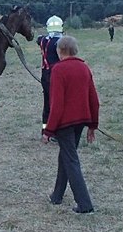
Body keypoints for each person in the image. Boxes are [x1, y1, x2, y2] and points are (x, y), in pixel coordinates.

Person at [41, 35, 99, 214]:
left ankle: (85, 204)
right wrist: (92, 125)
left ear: (60, 51)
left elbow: (56, 105)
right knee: (66, 156)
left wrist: (48, 131)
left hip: (65, 124)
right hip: (80, 122)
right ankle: (56, 196)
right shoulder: (84, 67)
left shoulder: (58, 70)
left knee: (71, 160)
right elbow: (94, 100)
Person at [36, 15, 63, 133]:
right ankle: (55, 131)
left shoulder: (42, 40)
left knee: (47, 104)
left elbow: (39, 39)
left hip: (45, 75)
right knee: (56, 104)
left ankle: (45, 130)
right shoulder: (61, 42)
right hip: (56, 76)